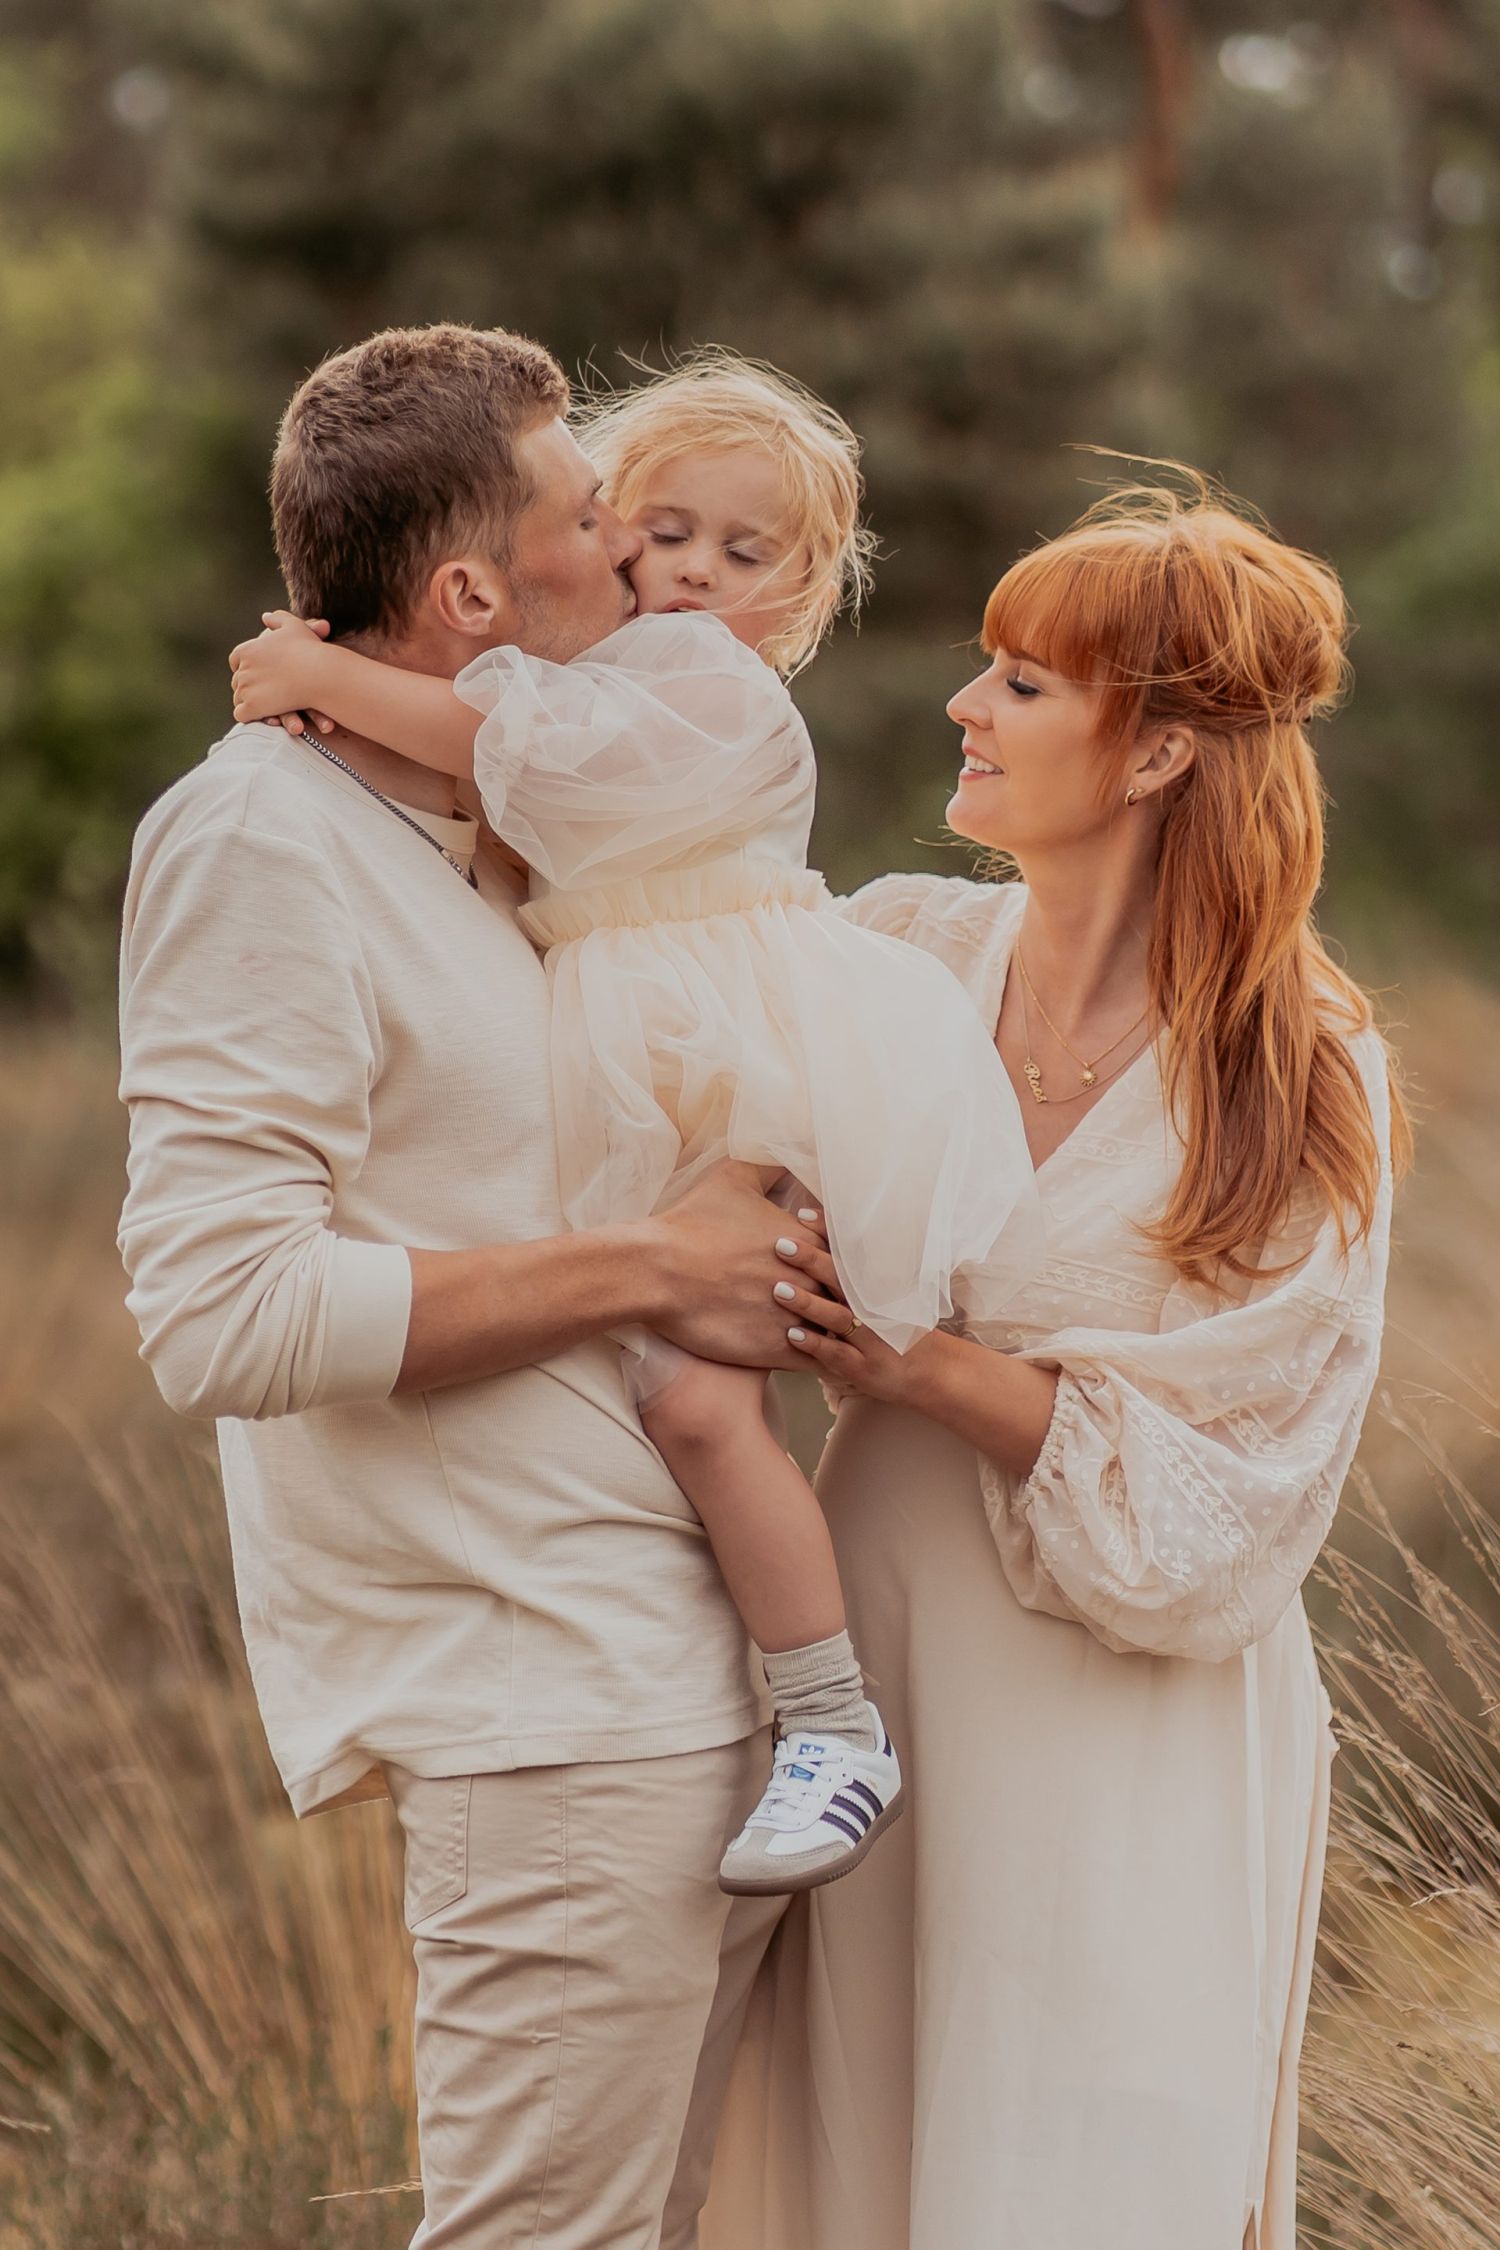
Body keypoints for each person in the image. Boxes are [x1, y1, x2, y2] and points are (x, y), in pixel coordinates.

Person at [116, 322, 854, 2250]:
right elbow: (224, 1315)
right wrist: (654, 1258)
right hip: (537, 1713)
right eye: (595, 514)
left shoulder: (503, 838)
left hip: (696, 1684)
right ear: (470, 591)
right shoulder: (257, 837)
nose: (634, 551)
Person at [671, 475, 1408, 2250]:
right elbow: (644, 1013)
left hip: (1127, 1699)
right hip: (873, 1643)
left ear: (1155, 755)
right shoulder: (897, 955)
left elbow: (1244, 1489)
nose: (963, 707)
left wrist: (917, 1362)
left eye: (1022, 682)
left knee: (1075, 2151)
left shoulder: (1301, 1068)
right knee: (846, 2137)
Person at [227, 353, 1041, 1895]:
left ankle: (832, 1721)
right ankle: (772, 1692)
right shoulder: (601, 665)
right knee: (662, 1395)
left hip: (726, 1051)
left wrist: (317, 676)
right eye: (656, 526)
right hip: (654, 1048)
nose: (684, 571)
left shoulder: (705, 688)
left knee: (697, 1406)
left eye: (744, 557)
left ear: (794, 596)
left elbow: (509, 751)